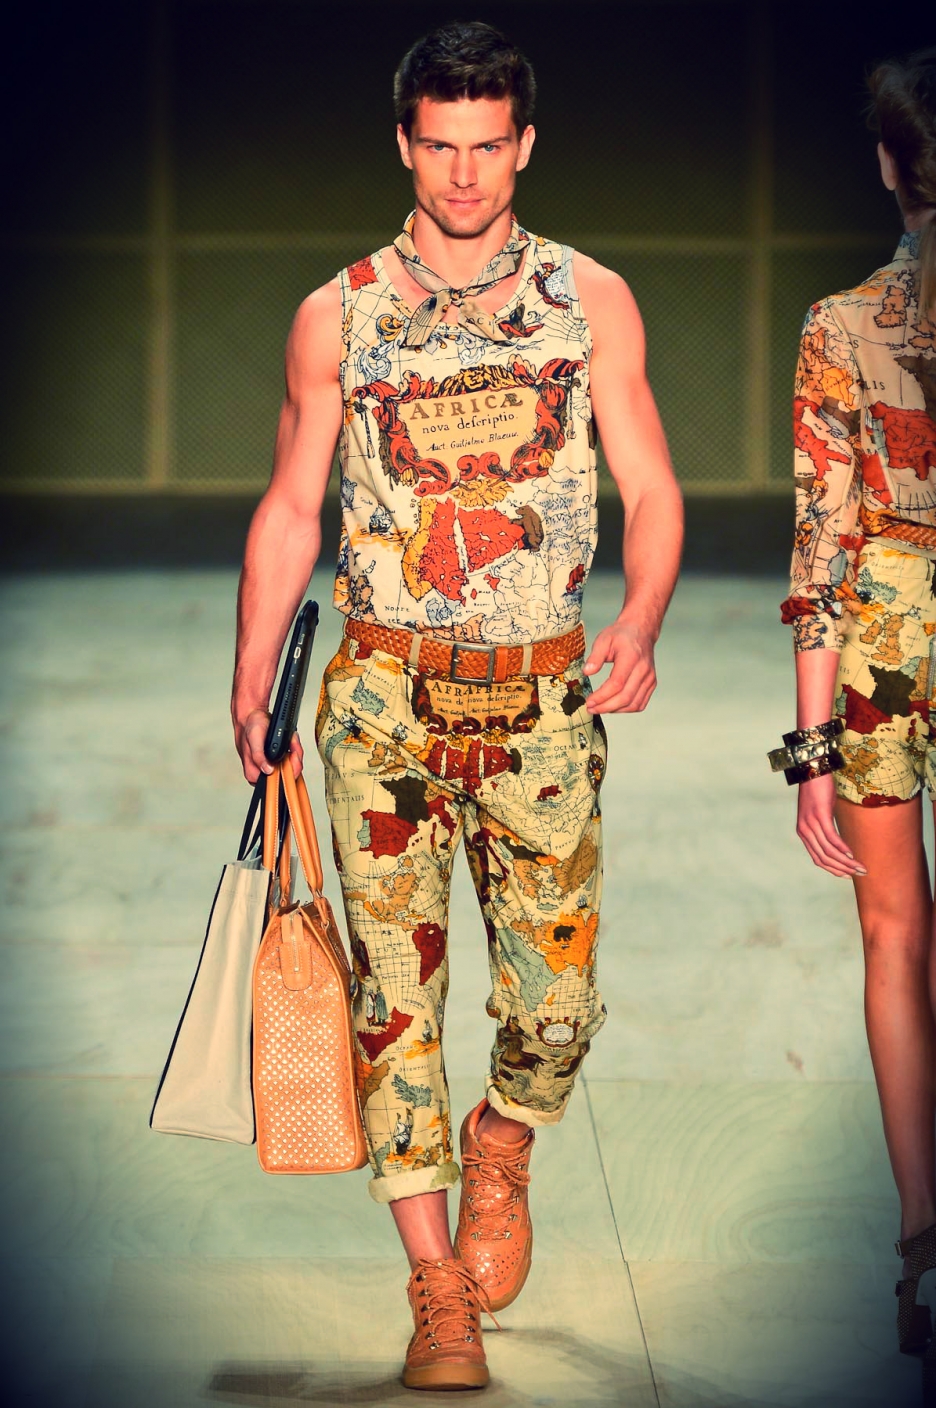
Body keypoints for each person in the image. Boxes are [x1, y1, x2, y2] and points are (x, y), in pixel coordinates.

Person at [232, 21, 682, 1391]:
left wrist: (641, 620)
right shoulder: (339, 314)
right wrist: (252, 672)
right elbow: (293, 504)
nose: (466, 173)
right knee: (393, 1006)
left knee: (559, 1008)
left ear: (525, 144)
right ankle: (437, 1290)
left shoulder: (590, 300)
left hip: (541, 702)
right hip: (382, 704)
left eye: (489, 145)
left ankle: (502, 1140)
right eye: (441, 145)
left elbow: (652, 486)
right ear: (404, 145)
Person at [778, 46, 936, 1397]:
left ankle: (922, 1246)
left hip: (889, 644)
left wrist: (810, 750)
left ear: (890, 163)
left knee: (894, 937)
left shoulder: (842, 325)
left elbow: (822, 543)